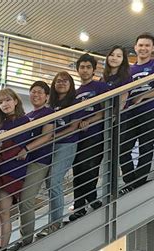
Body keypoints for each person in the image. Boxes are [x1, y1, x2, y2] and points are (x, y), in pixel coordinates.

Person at [9, 81, 55, 251]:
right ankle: (24, 238)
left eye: (39, 92)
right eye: (33, 92)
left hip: (39, 160)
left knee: (27, 200)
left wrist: (26, 149)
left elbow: (47, 136)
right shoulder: (28, 116)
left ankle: (26, 240)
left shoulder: (48, 112)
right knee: (21, 200)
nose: (35, 95)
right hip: (24, 163)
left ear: (47, 96)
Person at [119, 33, 154, 192]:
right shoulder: (128, 70)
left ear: (152, 48)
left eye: (147, 45)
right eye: (141, 45)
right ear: (135, 47)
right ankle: (131, 181)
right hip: (130, 113)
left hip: (150, 111)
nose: (143, 48)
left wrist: (142, 96)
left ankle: (138, 183)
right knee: (123, 149)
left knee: (146, 148)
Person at [36, 71, 80, 237]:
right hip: (50, 146)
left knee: (54, 180)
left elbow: (74, 127)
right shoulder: (50, 105)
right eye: (58, 81)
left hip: (66, 145)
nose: (61, 83)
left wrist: (53, 136)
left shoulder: (74, 103)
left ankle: (55, 223)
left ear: (70, 84)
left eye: (65, 81)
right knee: (49, 182)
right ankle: (52, 221)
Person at [0, 88, 31, 251]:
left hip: (11, 171)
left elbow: (15, 148)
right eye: (1, 102)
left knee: (4, 211)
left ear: (15, 101)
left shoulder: (24, 121)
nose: (4, 104)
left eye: (7, 100)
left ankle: (2, 248)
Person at [70, 53, 109, 221]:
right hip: (77, 137)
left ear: (93, 70)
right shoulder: (75, 93)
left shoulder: (101, 87)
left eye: (88, 67)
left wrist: (89, 121)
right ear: (78, 70)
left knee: (88, 168)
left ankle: (91, 199)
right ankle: (79, 206)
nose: (85, 70)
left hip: (95, 134)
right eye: (82, 67)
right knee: (77, 170)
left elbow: (106, 110)